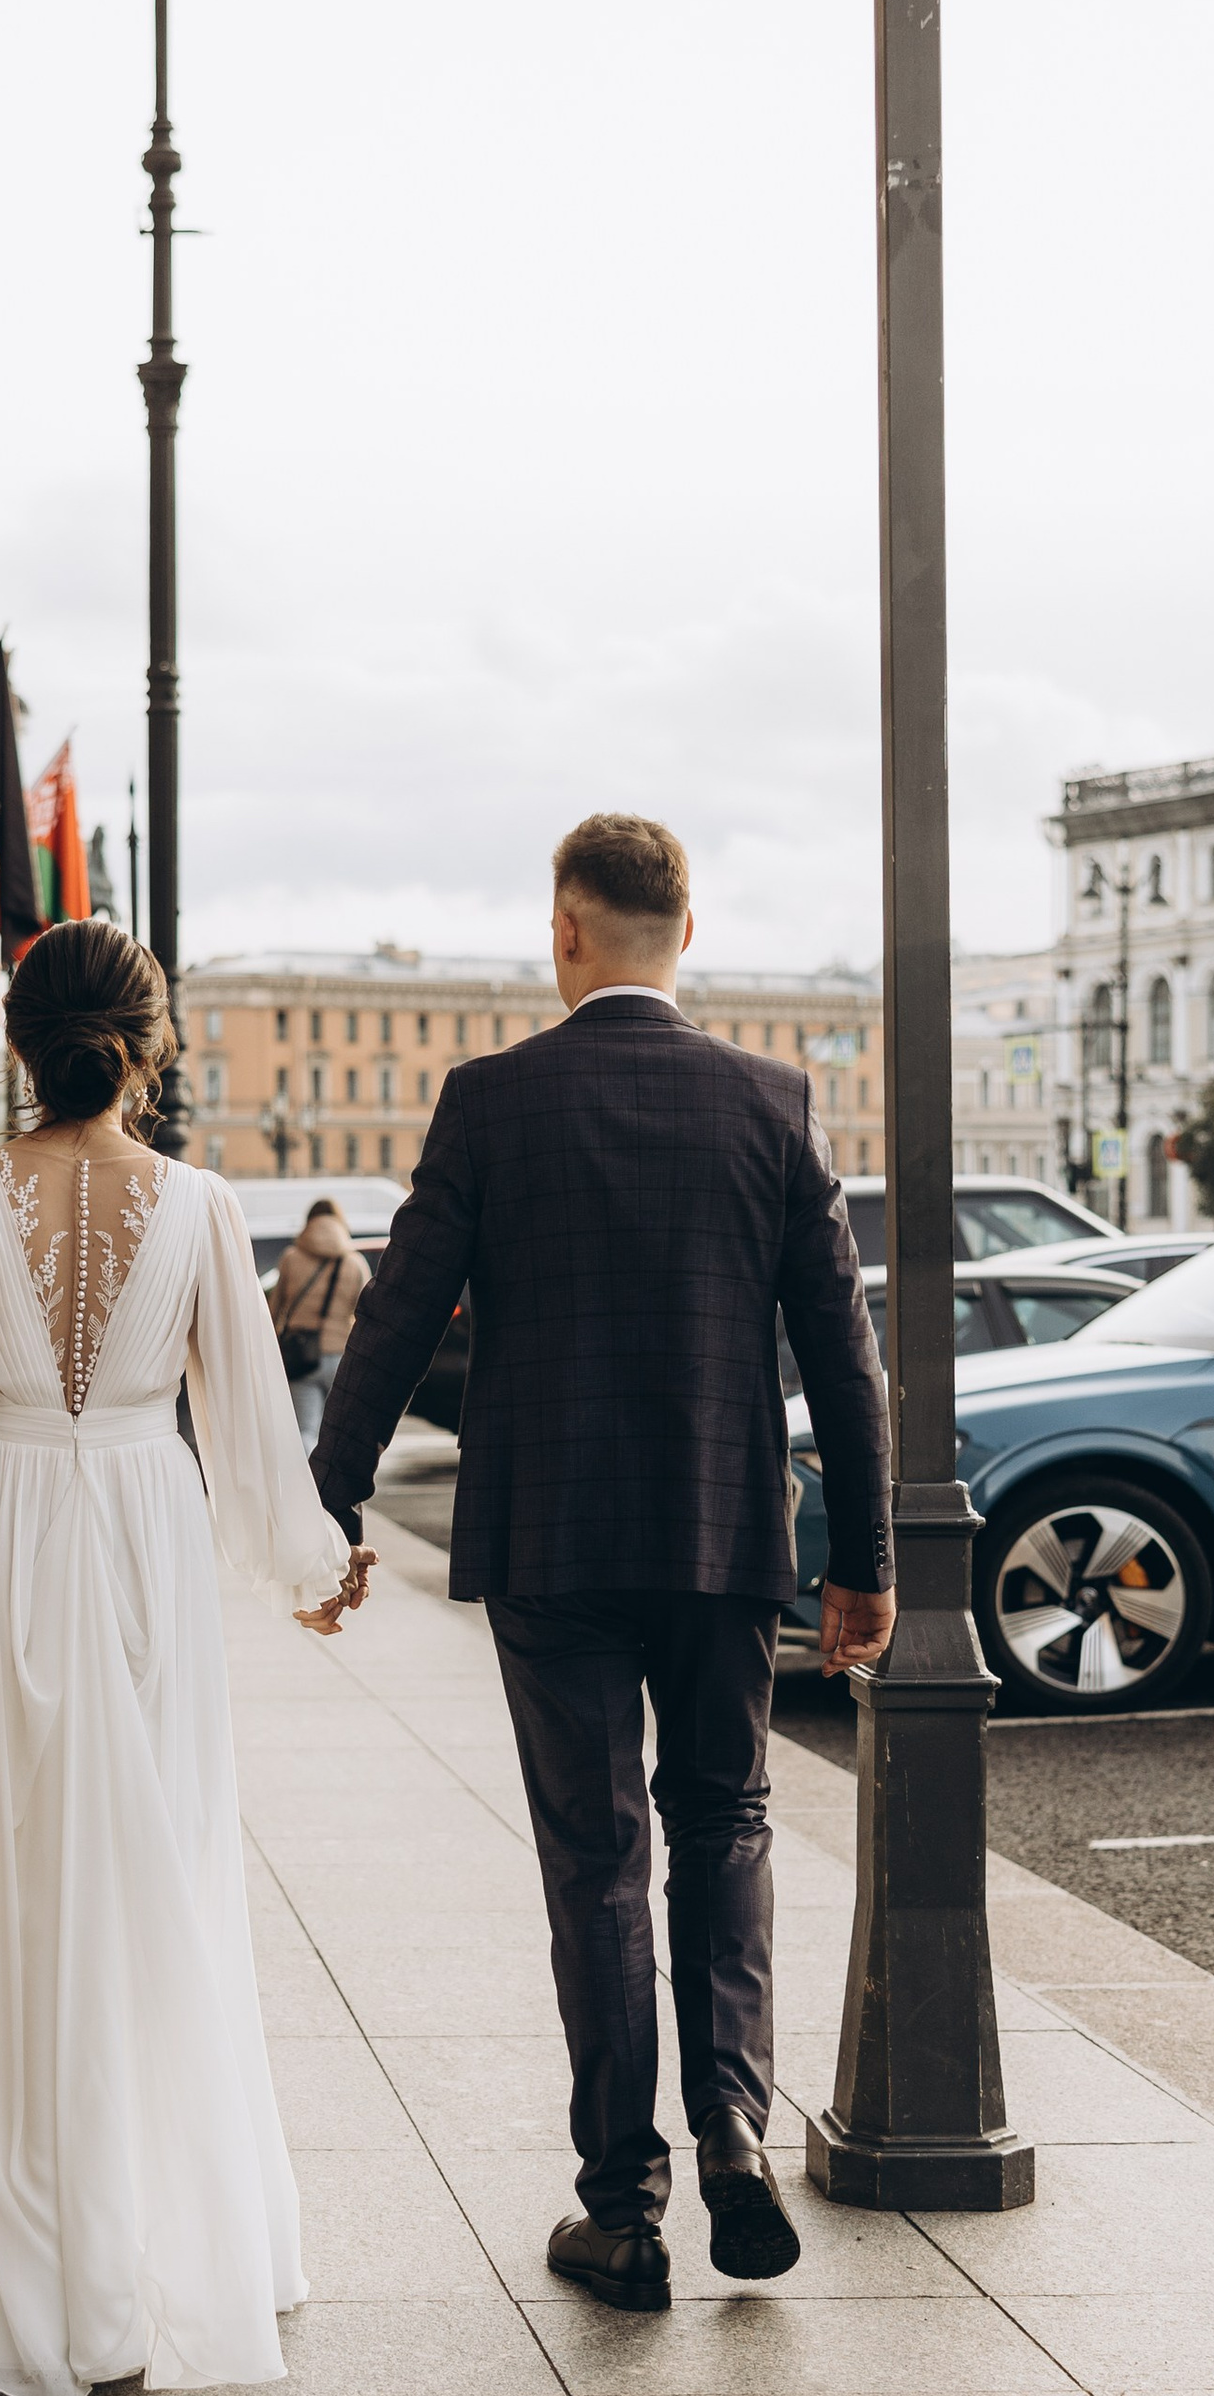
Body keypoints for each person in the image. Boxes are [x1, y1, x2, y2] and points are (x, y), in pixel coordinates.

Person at [309, 814, 894, 2311]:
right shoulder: (772, 1102)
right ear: (684, 936)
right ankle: (738, 2132)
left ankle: (621, 2206)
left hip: (553, 1538)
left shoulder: (492, 1102)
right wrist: (867, 1557)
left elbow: (395, 1317)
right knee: (728, 1823)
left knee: (595, 1859)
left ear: (564, 931)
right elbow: (843, 1346)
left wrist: (330, 1498)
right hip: (720, 1532)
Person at [0, 921, 375, 2396]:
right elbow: (254, 1433)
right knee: (154, 1879)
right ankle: (154, 2237)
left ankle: (7, 2245)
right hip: (144, 1543)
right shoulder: (201, 1207)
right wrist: (317, 1573)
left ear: (20, 1043)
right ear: (155, 1044)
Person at [267, 1195, 368, 1448]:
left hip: (301, 1357)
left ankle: (309, 1485)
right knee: (339, 1432)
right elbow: (367, 1315)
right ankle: (332, 1484)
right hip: (341, 1357)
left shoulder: (291, 1257)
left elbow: (274, 1310)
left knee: (306, 1430)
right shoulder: (354, 1262)